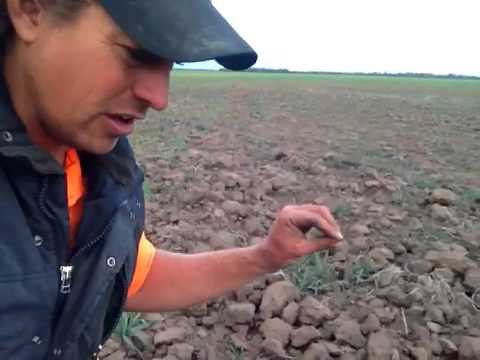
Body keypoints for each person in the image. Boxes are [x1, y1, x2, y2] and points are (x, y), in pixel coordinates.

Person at [0, 0, 344, 358]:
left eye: (170, 62)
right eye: (135, 53)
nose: (159, 98)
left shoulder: (98, 166)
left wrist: (265, 256)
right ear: (29, 10)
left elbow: (128, 276)